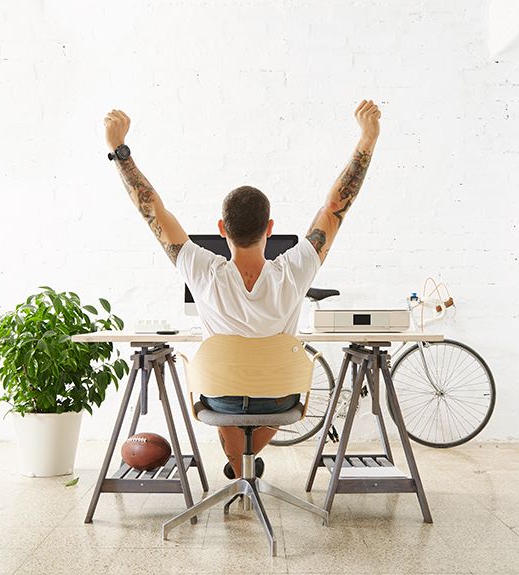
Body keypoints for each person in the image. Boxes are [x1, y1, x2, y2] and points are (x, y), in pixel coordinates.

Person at [103, 100, 381, 478]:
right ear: (270, 228)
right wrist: (368, 137)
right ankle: (244, 467)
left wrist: (119, 150)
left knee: (226, 387)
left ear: (221, 229)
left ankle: (239, 467)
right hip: (280, 395)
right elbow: (335, 207)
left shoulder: (202, 270)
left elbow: (152, 210)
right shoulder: (295, 269)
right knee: (270, 390)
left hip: (220, 397)